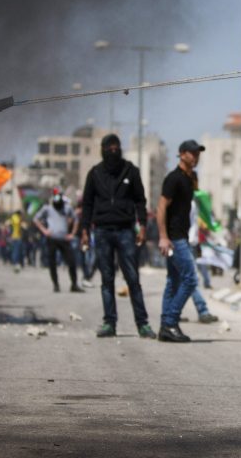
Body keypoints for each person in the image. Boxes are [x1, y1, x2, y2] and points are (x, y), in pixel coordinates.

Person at [80, 133, 156, 339]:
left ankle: (143, 324)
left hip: (125, 231)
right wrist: (84, 230)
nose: (113, 150)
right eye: (109, 147)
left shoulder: (131, 170)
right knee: (107, 279)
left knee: (132, 278)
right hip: (102, 231)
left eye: (116, 147)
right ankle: (109, 323)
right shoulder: (94, 173)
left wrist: (142, 226)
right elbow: (86, 204)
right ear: (103, 149)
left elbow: (140, 200)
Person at [157, 139, 206, 342]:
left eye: (198, 154)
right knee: (190, 279)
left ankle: (164, 327)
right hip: (174, 238)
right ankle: (170, 322)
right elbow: (161, 208)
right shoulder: (173, 178)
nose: (196, 157)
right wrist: (163, 237)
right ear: (182, 154)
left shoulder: (190, 177)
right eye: (192, 153)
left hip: (182, 235)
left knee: (173, 281)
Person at [34, 191, 83, 293]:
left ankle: (74, 284)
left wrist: (72, 234)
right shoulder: (47, 208)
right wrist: (44, 230)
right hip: (52, 239)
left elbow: (76, 219)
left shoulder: (67, 208)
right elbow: (36, 219)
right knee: (52, 262)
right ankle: (55, 284)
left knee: (71, 261)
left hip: (64, 239)